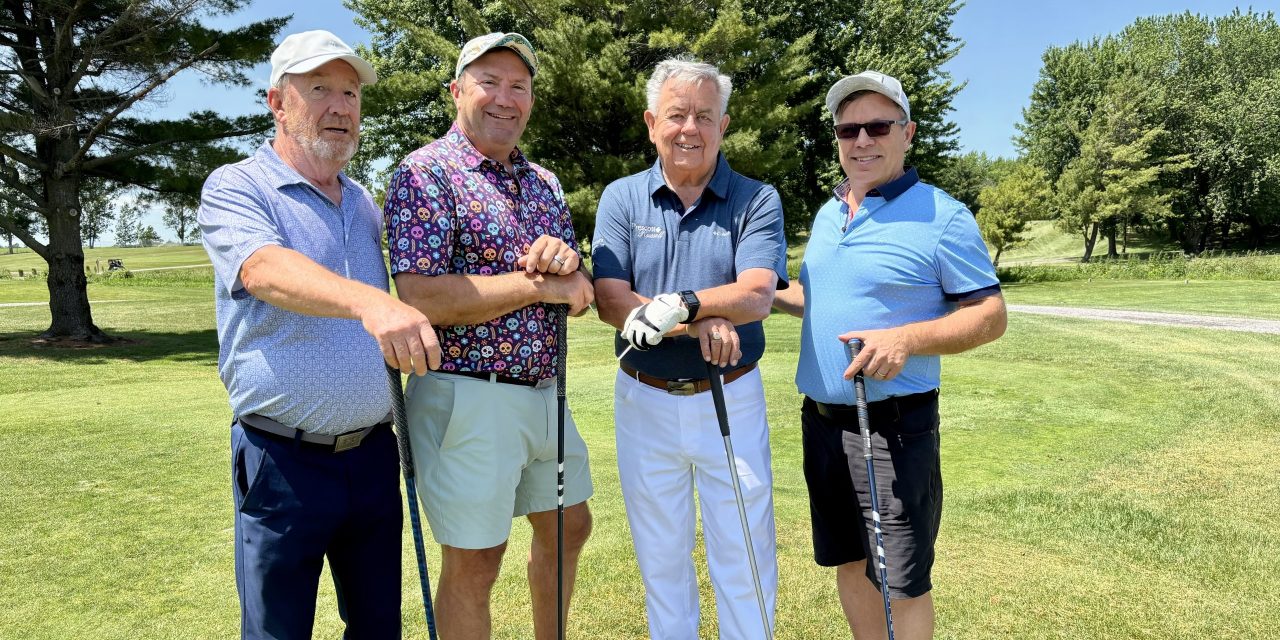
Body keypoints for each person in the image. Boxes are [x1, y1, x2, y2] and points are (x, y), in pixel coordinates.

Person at [198, 30, 442, 639]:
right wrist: (371, 303)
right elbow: (262, 269)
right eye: (320, 90)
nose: (341, 106)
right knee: (278, 632)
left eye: (351, 93)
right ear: (277, 102)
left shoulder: (362, 202)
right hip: (282, 462)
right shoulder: (237, 186)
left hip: (374, 454)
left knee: (379, 627)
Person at [772, 70, 1007, 640]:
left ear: (908, 134)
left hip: (893, 429)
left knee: (900, 578)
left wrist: (906, 340)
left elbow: (990, 315)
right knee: (849, 562)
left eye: (878, 126)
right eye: (848, 129)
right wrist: (754, 296)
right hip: (823, 423)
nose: (862, 140)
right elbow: (824, 299)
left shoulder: (942, 215)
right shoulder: (831, 213)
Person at [382, 32, 595, 640]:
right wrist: (537, 287)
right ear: (456, 91)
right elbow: (421, 296)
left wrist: (566, 268)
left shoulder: (544, 182)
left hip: (541, 392)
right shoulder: (426, 173)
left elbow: (576, 293)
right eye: (489, 82)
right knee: (477, 561)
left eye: (519, 86)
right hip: (465, 395)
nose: (506, 97)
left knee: (568, 525)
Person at [592, 58, 789, 640]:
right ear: (653, 123)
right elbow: (610, 298)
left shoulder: (755, 198)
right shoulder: (622, 198)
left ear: (724, 126)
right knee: (661, 559)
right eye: (677, 114)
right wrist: (699, 320)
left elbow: (755, 294)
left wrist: (682, 305)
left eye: (705, 115)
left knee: (745, 554)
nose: (690, 128)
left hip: (731, 396)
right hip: (644, 398)